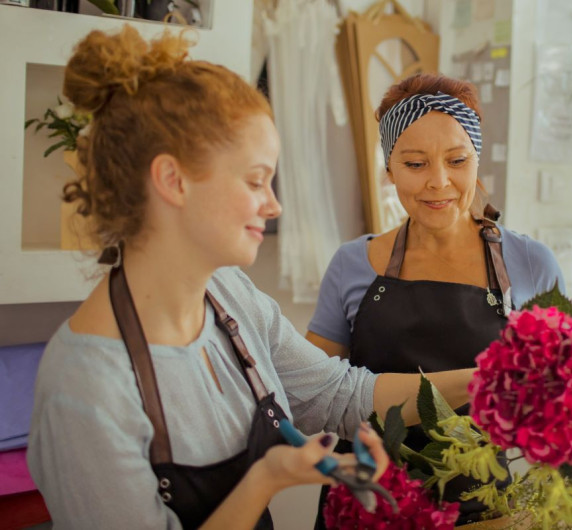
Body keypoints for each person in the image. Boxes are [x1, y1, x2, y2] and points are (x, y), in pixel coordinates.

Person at [26, 27, 475, 530]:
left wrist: (486, 382)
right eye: (255, 179)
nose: (274, 203)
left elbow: (336, 396)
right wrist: (267, 478)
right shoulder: (86, 387)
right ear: (173, 181)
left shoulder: (228, 295)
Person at [307, 73, 565, 526]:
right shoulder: (352, 264)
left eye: (457, 160)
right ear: (389, 170)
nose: (439, 182)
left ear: (476, 161)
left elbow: (564, 396)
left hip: (486, 512)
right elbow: (310, 390)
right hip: (369, 506)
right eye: (415, 164)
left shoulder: (531, 263)